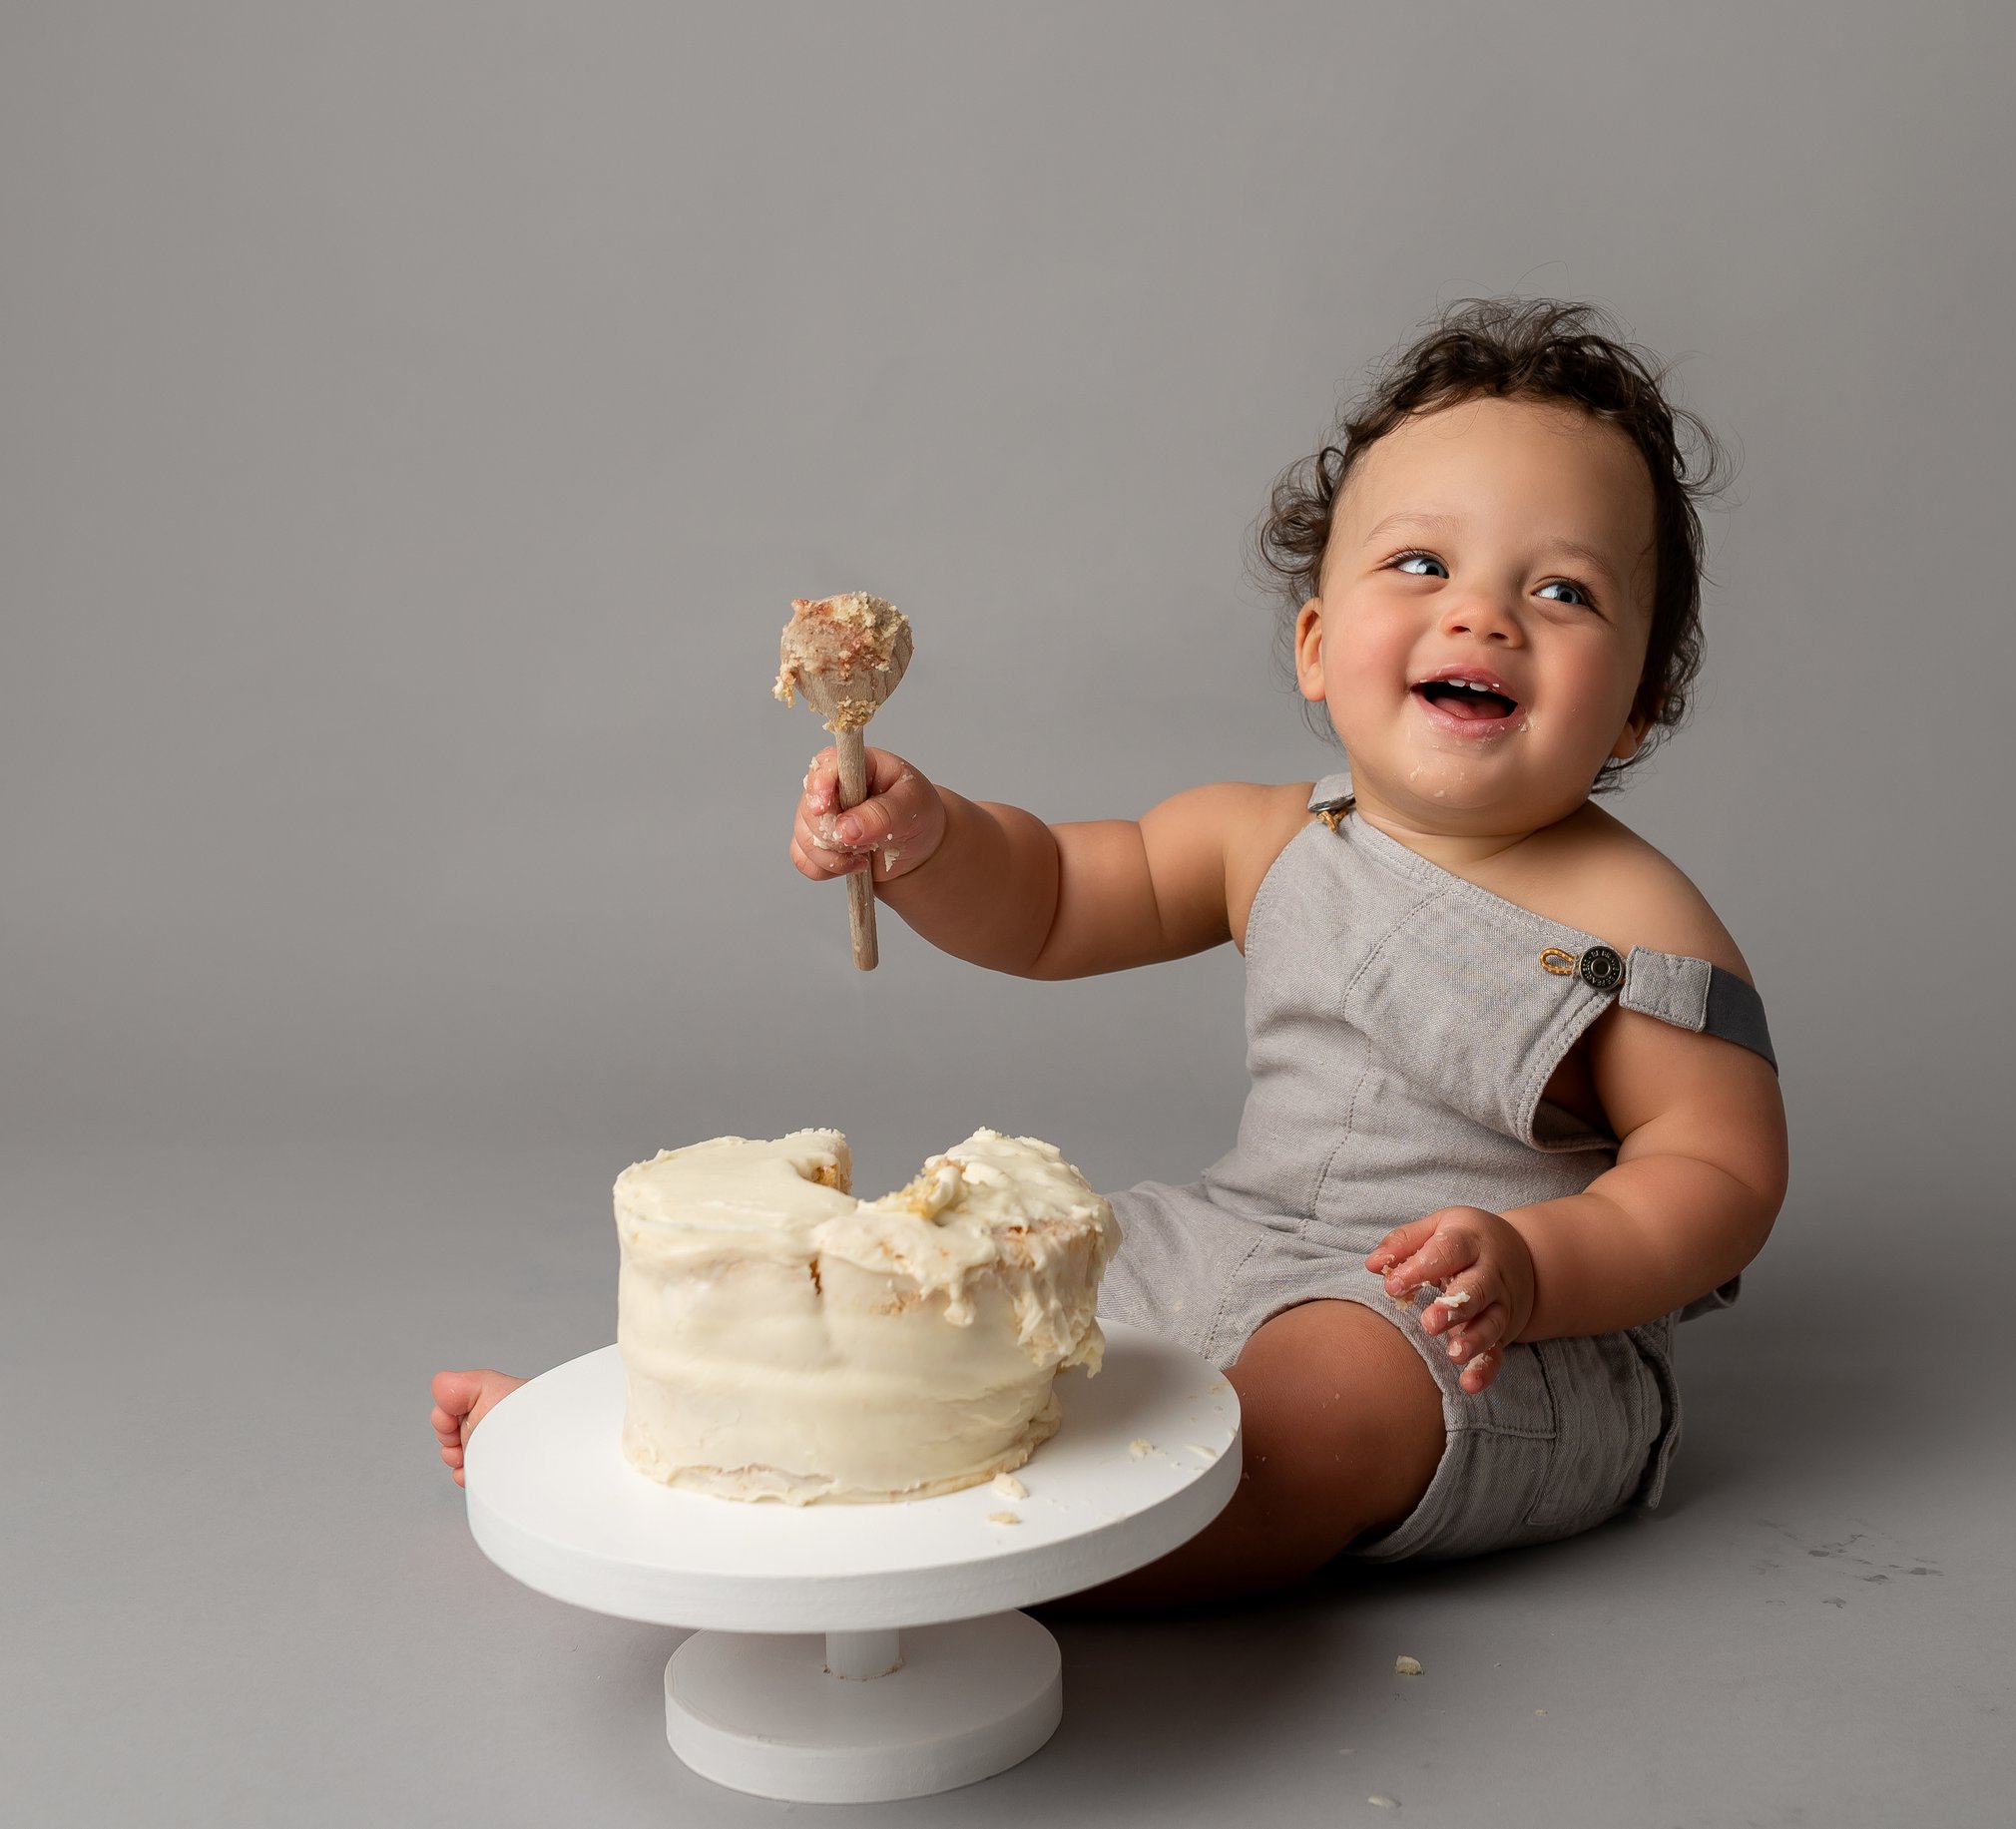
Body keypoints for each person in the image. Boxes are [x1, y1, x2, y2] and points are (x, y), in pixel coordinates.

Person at [432, 298, 1787, 1609]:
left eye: (1562, 590)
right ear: (1318, 645)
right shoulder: (1267, 837)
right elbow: (1060, 896)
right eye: (1422, 565)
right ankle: (683, 1457)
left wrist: (1543, 1264)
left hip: (1485, 1334)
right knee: (985, 1286)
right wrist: (930, 838)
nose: (1482, 616)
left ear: (1639, 705)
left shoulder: (1635, 920)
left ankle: (991, 1569)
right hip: (1239, 1237)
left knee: (1318, 1409)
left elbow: (1719, 1171)